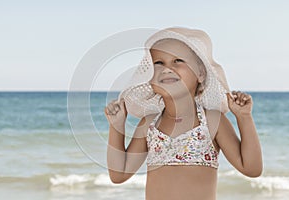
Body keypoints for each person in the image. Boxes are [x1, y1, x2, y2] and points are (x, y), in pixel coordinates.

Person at [104, 27, 262, 200]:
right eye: (158, 63)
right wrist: (117, 126)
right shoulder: (149, 124)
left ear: (200, 73)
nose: (167, 69)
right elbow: (119, 175)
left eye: (178, 60)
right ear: (149, 76)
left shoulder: (212, 120)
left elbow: (252, 168)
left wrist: (244, 118)